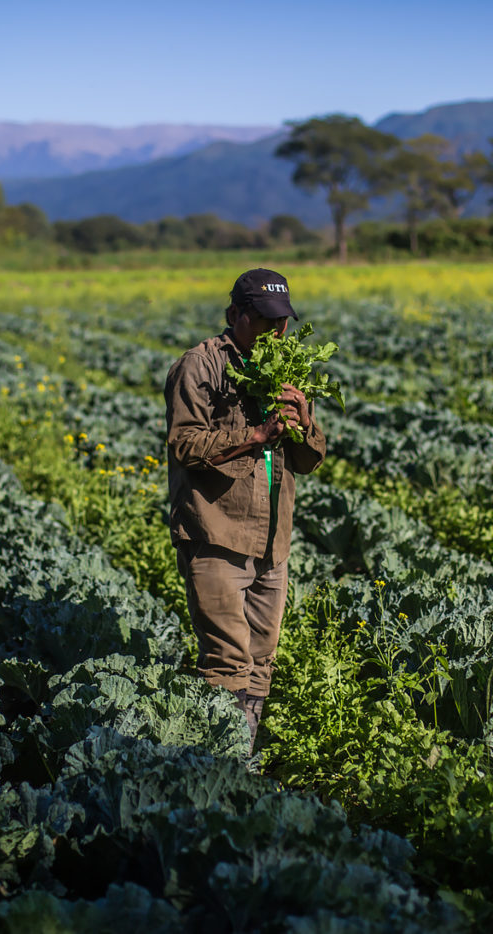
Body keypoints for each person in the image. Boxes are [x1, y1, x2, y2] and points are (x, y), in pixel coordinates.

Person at [164, 268, 326, 756]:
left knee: (261, 659)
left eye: (282, 323)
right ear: (235, 314)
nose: (276, 333)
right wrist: (255, 437)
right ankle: (217, 767)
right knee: (227, 661)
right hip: (217, 533)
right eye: (263, 321)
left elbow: (309, 458)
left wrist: (302, 420)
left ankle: (244, 758)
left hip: (272, 540)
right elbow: (184, 444)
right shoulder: (201, 365)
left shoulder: (287, 368)